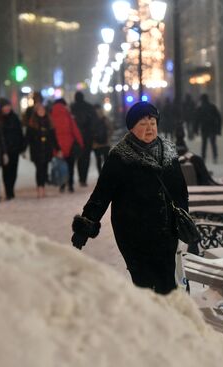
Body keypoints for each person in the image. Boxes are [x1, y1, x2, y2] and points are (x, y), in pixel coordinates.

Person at [71, 101, 188, 295]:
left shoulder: (168, 151)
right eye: (143, 124)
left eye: (152, 123)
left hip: (165, 231)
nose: (149, 128)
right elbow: (101, 194)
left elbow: (180, 191)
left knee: (167, 284)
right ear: (132, 128)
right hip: (133, 233)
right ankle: (145, 321)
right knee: (143, 284)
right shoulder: (119, 157)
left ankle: (165, 322)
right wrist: (85, 227)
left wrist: (183, 220)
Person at [26, 103, 59, 198]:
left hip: (47, 150)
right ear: (36, 112)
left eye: (43, 110)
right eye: (39, 110)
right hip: (37, 150)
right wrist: (23, 148)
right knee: (39, 169)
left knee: (44, 169)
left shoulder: (49, 122)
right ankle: (40, 188)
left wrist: (58, 148)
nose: (41, 112)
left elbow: (53, 137)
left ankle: (43, 187)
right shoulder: (32, 123)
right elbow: (28, 137)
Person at [50, 98, 84, 193]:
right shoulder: (67, 115)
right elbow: (75, 130)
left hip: (57, 145)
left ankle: (62, 184)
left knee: (60, 165)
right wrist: (80, 142)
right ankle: (70, 185)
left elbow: (50, 131)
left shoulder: (51, 115)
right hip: (70, 144)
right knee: (70, 165)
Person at [0, 98, 26, 200]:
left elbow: (20, 133)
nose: (7, 108)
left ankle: (11, 189)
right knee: (6, 171)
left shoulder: (14, 118)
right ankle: (8, 191)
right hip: (4, 150)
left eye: (8, 106)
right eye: (5, 106)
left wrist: (22, 146)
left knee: (13, 171)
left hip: (14, 149)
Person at [70, 91, 97, 187]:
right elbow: (94, 122)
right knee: (86, 158)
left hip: (76, 137)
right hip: (87, 136)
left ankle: (79, 177)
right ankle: (83, 179)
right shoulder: (89, 107)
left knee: (78, 157)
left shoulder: (72, 108)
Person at [194, 94, 222, 163]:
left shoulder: (200, 108)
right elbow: (219, 118)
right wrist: (219, 129)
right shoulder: (212, 107)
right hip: (212, 127)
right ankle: (215, 157)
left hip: (204, 128)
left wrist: (196, 130)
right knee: (213, 144)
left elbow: (196, 120)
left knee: (204, 144)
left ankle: (203, 158)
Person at [92, 104, 113, 173]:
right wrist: (108, 137)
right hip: (105, 143)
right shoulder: (105, 118)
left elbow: (90, 131)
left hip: (96, 144)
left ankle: (100, 174)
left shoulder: (92, 120)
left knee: (98, 160)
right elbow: (110, 129)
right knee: (106, 159)